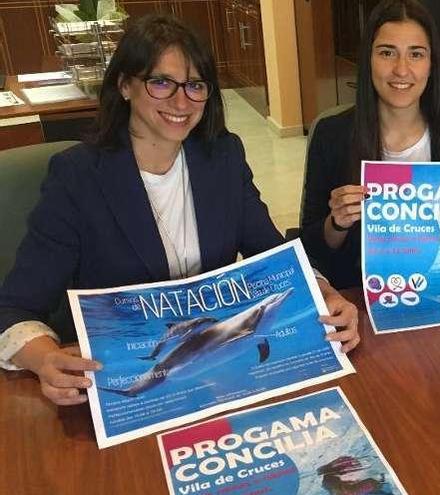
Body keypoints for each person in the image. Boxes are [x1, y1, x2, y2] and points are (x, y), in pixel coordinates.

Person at [0, 15, 359, 406]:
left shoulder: (222, 155)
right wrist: (44, 359)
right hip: (114, 390)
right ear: (124, 85)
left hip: (210, 379)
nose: (181, 101)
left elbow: (270, 254)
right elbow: (13, 308)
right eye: (160, 82)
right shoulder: (78, 176)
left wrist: (324, 294)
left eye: (195, 85)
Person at [300, 0, 440, 290]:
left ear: (432, 65)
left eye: (416, 54)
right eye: (386, 53)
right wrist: (338, 222)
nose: (401, 69)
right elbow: (310, 248)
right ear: (368, 60)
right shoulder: (331, 136)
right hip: (361, 301)